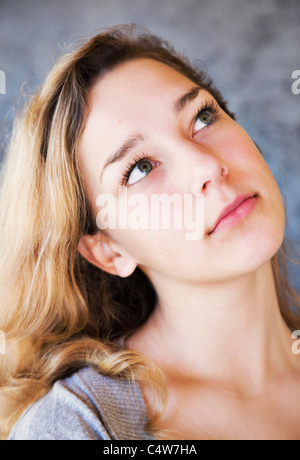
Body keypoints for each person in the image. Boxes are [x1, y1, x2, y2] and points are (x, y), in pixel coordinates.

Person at [0, 24, 300, 441]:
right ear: (107, 250)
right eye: (140, 168)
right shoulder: (77, 426)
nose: (208, 166)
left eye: (203, 117)